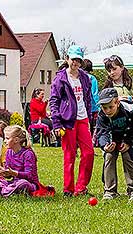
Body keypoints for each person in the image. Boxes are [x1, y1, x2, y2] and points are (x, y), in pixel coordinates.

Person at [49, 45, 94, 197]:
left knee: (88, 153)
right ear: (67, 59)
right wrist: (56, 123)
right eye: (73, 59)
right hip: (67, 120)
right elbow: (54, 101)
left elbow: (88, 98)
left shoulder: (85, 78)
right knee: (69, 155)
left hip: (83, 119)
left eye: (78, 60)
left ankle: (81, 187)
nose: (75, 63)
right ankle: (68, 189)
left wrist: (90, 115)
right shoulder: (60, 79)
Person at [96, 88, 133, 201]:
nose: (107, 111)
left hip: (131, 134)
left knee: (128, 156)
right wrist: (105, 145)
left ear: (117, 102)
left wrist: (128, 142)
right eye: (104, 108)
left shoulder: (130, 109)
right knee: (109, 156)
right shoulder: (102, 114)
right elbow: (102, 132)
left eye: (110, 107)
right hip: (113, 136)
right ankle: (110, 191)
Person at [0, 125, 40, 196]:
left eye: (7, 138)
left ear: (16, 140)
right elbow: (10, 176)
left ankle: (5, 191)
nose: (4, 141)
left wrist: (14, 173)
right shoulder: (9, 152)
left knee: (23, 183)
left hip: (29, 183)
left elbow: (29, 175)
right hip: (14, 182)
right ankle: (8, 190)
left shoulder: (28, 154)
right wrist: (4, 173)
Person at [82, 59, 99, 135]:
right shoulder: (92, 78)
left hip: (81, 106)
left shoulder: (78, 76)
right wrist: (99, 106)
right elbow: (94, 93)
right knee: (92, 126)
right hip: (92, 107)